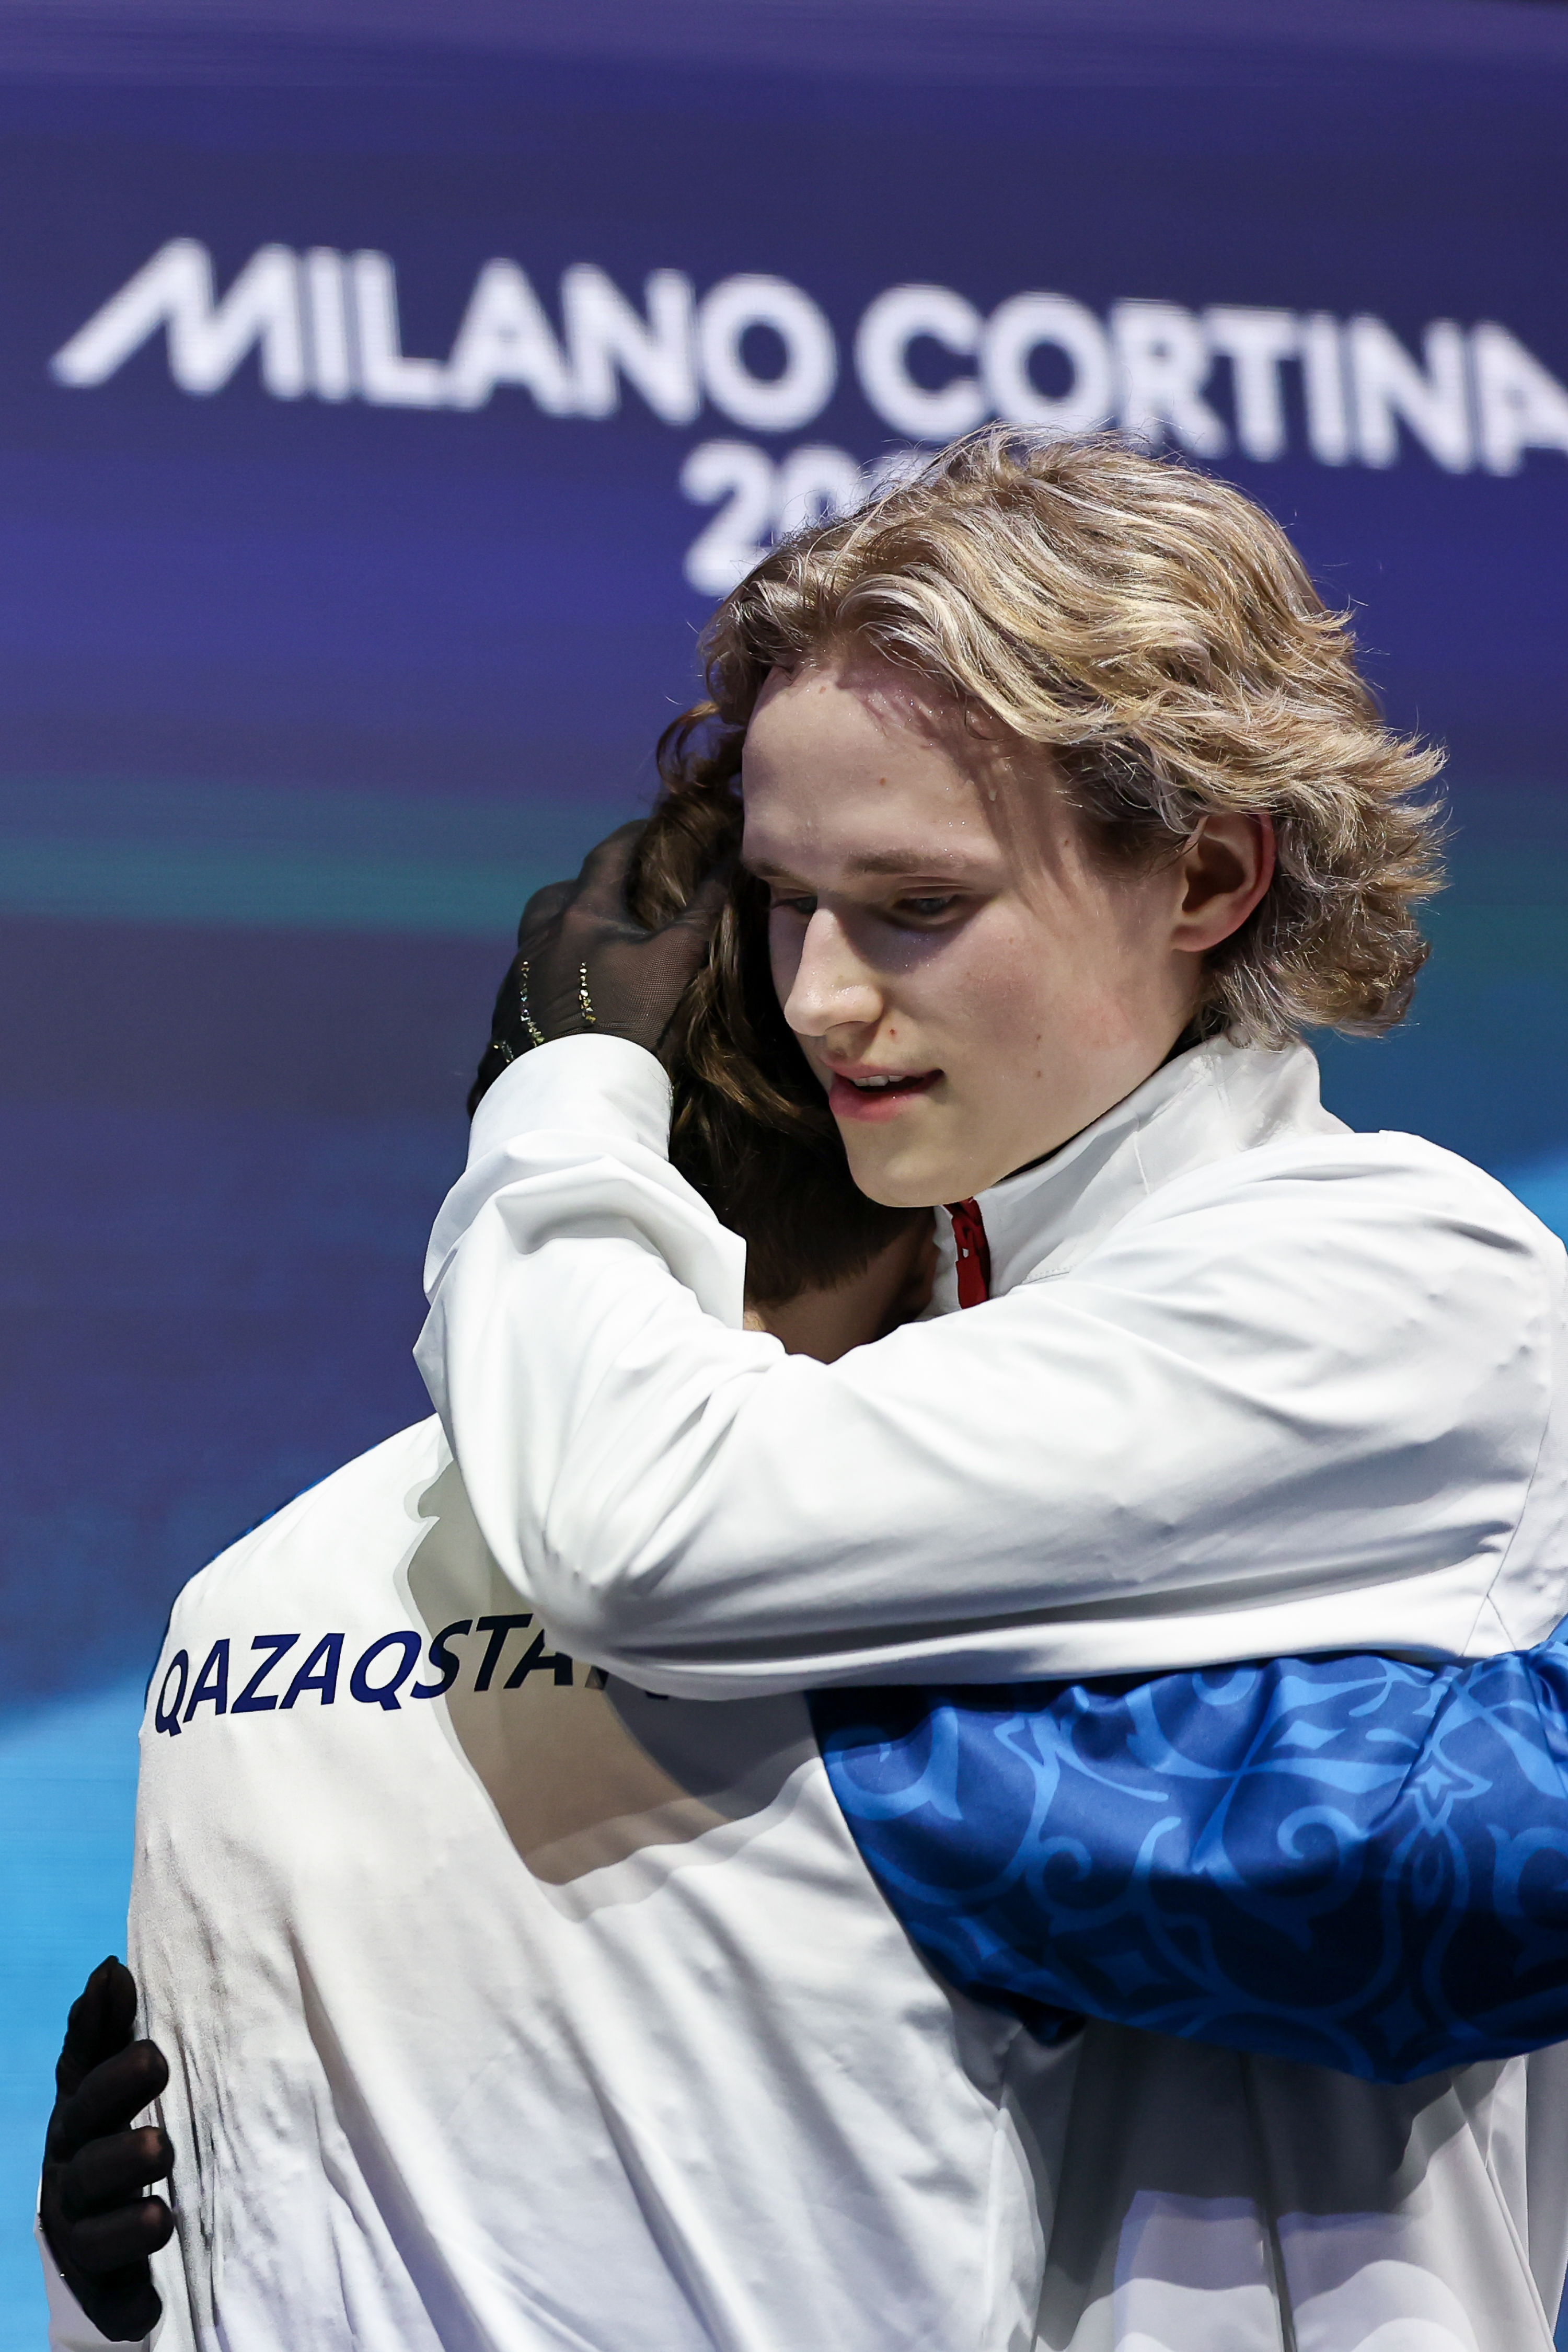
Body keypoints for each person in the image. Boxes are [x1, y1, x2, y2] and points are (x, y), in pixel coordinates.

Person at [40, 432, 1568, 2350]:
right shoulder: (924, 1338)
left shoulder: (1394, 1284)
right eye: (783, 903)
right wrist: (229, 2202)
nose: (824, 996)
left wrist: (564, 1095)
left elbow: (635, 1536)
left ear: (1207, 871)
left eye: (917, 907)